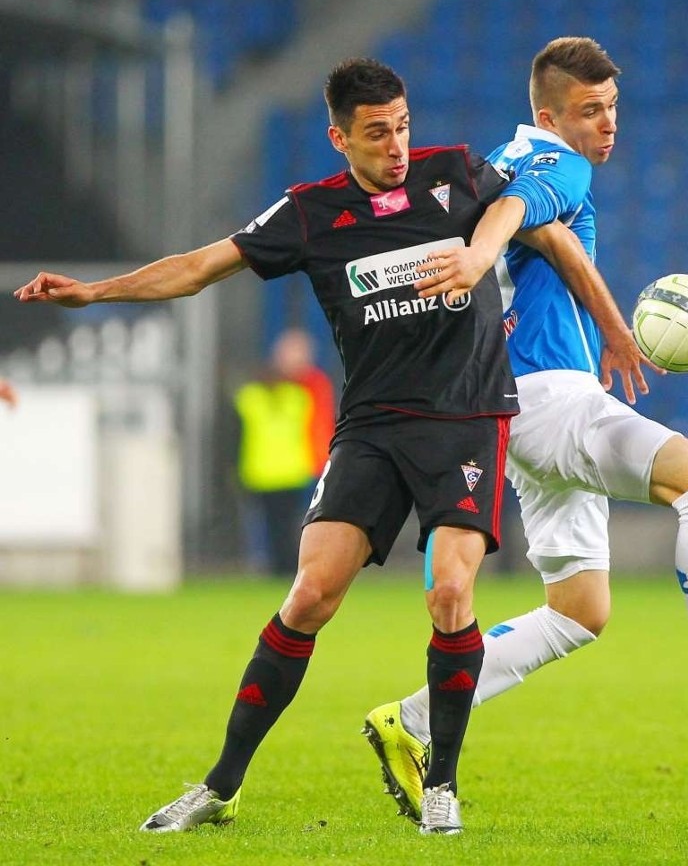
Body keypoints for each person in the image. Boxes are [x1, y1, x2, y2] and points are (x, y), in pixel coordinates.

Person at [14, 57, 522, 836]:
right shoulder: (311, 213)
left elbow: (528, 206)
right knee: (310, 594)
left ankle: (442, 782)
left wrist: (489, 256)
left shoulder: (457, 174)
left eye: (403, 126)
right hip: (374, 424)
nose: (396, 145)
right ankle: (220, 786)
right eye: (377, 134)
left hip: (464, 415)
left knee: (450, 592)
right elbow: (196, 269)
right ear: (339, 138)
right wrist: (96, 291)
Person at [361, 36, 688, 824]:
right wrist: (609, 330)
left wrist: (585, 309)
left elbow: (539, 232)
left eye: (612, 109)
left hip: (509, 407)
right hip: (553, 395)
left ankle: (411, 719)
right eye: (591, 110)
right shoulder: (557, 164)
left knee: (578, 610)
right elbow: (527, 215)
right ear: (549, 115)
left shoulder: (494, 161)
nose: (607, 125)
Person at [233, 328, 335, 576]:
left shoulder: (311, 388)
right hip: (273, 471)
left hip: (305, 467)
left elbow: (322, 425)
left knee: (298, 523)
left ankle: (298, 567)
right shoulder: (266, 394)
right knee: (274, 524)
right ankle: (273, 565)